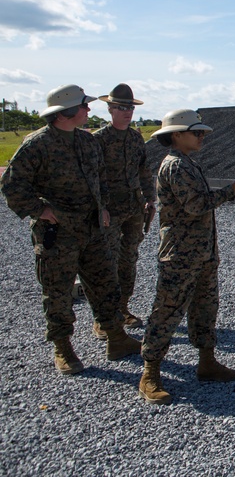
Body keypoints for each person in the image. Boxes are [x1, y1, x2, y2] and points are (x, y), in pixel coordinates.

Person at [0, 84, 141, 375]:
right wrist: (40, 211)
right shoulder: (37, 144)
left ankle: (115, 337)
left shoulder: (87, 142)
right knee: (59, 291)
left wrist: (102, 206)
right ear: (66, 113)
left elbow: (99, 177)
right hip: (58, 232)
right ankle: (62, 347)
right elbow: (12, 185)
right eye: (84, 106)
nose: (89, 109)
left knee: (105, 283)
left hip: (92, 228)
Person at [138, 109, 235, 405]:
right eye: (196, 132)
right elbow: (195, 206)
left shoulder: (188, 163)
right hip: (180, 254)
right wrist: (233, 189)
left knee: (206, 307)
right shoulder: (176, 166)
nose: (201, 137)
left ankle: (207, 362)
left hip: (201, 252)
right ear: (176, 135)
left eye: (202, 133)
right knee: (167, 311)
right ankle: (150, 372)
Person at [92, 84, 155, 334]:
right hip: (109, 210)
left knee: (128, 261)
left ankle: (122, 307)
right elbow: (93, 177)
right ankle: (103, 317)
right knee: (106, 262)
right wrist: (100, 207)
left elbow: (143, 169)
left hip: (133, 208)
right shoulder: (98, 140)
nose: (127, 112)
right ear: (110, 109)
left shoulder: (135, 137)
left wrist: (150, 198)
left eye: (129, 107)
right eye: (121, 107)